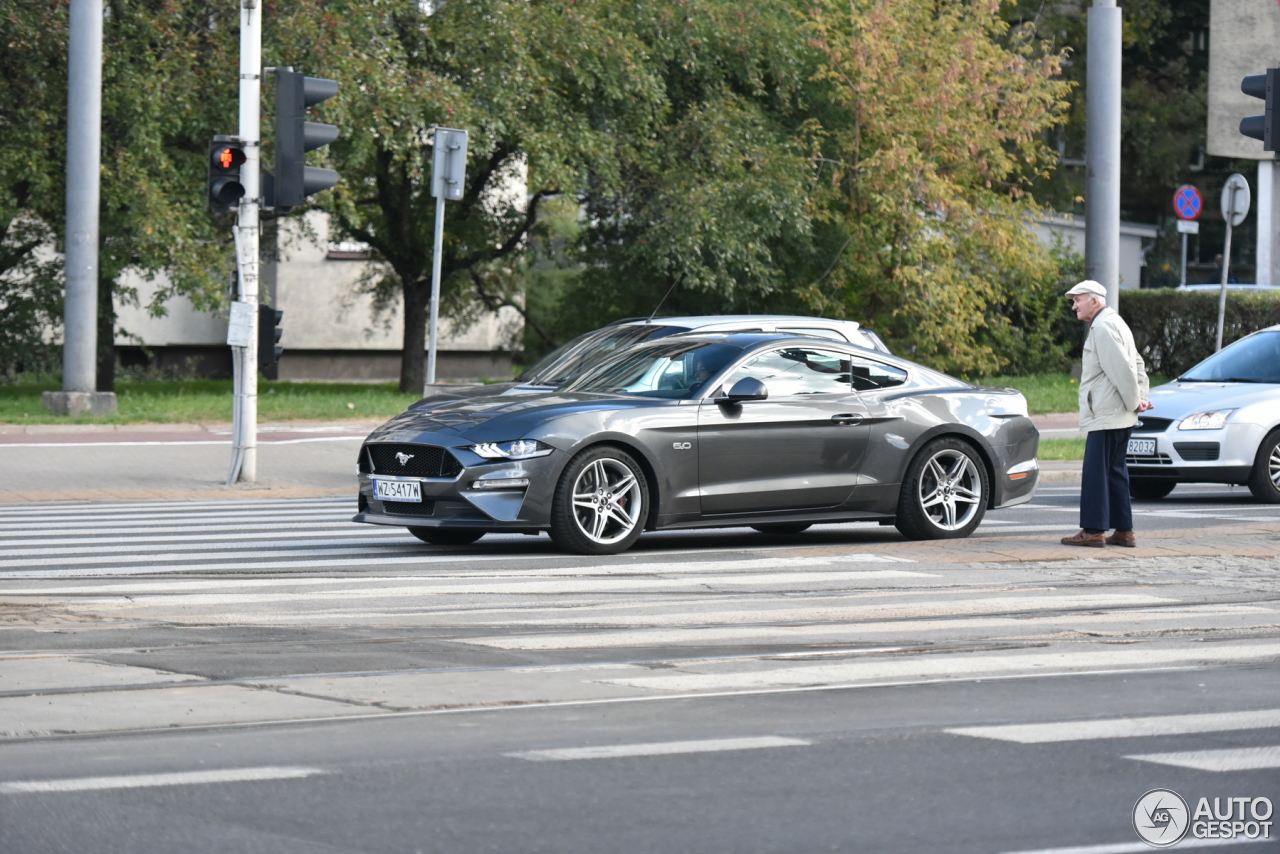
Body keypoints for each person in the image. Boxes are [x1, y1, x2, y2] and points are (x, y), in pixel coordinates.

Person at [1060, 280, 1153, 548]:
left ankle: (1093, 530)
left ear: (1094, 300)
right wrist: (1141, 398)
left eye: (1077, 300)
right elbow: (1137, 363)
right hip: (1118, 412)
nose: (1074, 305)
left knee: (1096, 472)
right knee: (1115, 471)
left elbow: (1122, 371)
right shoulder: (1116, 322)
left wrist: (1136, 401)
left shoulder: (1101, 327)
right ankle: (1124, 530)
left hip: (1107, 413)